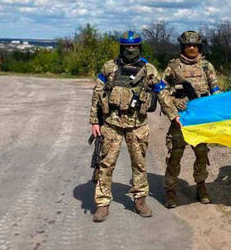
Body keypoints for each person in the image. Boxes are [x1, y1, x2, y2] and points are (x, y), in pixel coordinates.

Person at [89, 31, 164, 222]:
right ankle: (102, 204)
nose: (130, 50)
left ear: (139, 47)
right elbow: (97, 93)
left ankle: (140, 201)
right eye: (127, 47)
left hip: (137, 125)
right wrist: (94, 121)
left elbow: (162, 93)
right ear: (122, 48)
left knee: (139, 164)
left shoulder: (149, 70)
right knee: (106, 164)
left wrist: (176, 116)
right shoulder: (110, 67)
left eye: (134, 46)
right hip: (112, 123)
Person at [158, 31, 220, 208]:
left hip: (200, 121)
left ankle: (201, 188)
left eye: (195, 45)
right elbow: (161, 92)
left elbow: (216, 92)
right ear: (183, 47)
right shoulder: (173, 67)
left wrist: (217, 113)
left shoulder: (206, 66)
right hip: (180, 120)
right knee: (174, 157)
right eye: (188, 45)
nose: (191, 48)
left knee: (202, 156)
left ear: (199, 47)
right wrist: (174, 104)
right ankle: (171, 192)